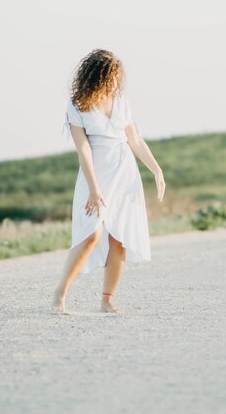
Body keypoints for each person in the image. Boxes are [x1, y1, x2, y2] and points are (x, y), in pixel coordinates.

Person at [52, 48, 166, 314]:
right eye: (110, 76)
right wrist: (93, 188)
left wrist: (156, 170)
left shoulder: (121, 100)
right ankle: (60, 293)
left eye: (117, 77)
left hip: (124, 172)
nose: (115, 82)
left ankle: (107, 300)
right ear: (97, 76)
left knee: (119, 237)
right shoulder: (77, 104)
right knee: (91, 233)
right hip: (96, 173)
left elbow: (134, 139)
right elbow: (83, 149)